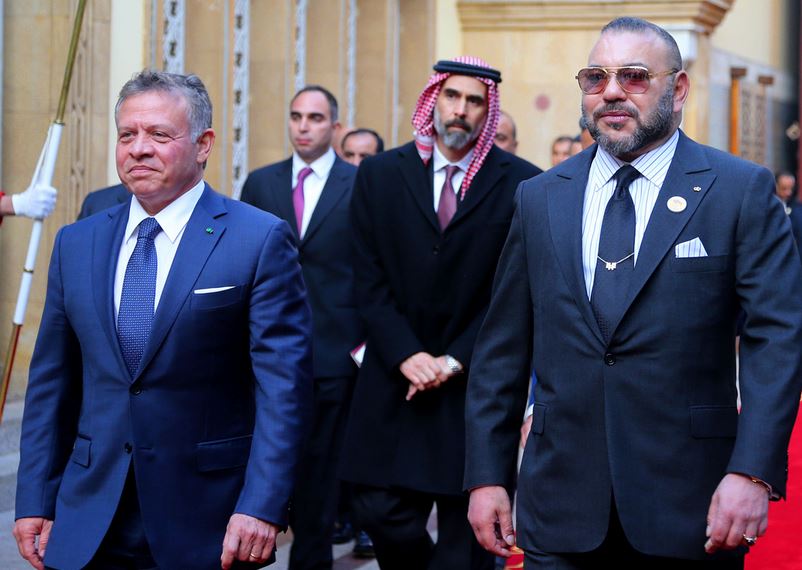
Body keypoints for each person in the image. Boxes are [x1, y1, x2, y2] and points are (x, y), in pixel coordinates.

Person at [466, 17, 802, 569]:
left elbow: (778, 336)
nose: (612, 91)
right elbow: (502, 347)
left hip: (691, 507)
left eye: (635, 76)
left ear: (679, 88)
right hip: (559, 508)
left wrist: (752, 472)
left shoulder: (738, 191)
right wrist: (487, 476)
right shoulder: (539, 197)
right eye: (595, 77)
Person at [14, 69, 313, 570]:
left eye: (159, 134)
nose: (139, 149)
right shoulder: (76, 242)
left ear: (203, 145)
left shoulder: (258, 239)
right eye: (127, 135)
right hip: (87, 517)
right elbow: (51, 385)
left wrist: (262, 504)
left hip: (208, 520)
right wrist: (34, 500)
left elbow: (283, 390)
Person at [339, 56, 542, 570]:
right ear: (433, 100)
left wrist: (453, 360)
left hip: (472, 388)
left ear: (488, 112)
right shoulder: (381, 174)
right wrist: (406, 354)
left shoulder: (522, 185)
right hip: (394, 379)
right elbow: (366, 275)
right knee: (378, 509)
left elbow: (511, 294)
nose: (460, 110)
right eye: (452, 96)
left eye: (474, 101)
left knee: (468, 543)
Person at [241, 85, 361, 570]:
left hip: (334, 354)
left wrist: (362, 349)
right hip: (269, 352)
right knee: (265, 464)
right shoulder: (261, 183)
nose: (303, 126)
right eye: (296, 116)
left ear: (335, 126)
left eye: (315, 117)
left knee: (321, 477)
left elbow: (374, 268)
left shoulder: (361, 183)